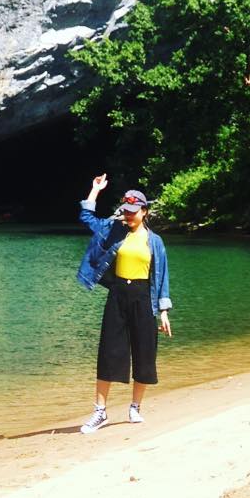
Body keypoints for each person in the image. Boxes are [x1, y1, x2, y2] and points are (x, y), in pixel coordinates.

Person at [75, 172, 172, 433]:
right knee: (109, 352)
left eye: (133, 211)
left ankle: (135, 408)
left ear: (144, 212)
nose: (128, 215)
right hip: (118, 295)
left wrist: (163, 310)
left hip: (143, 298)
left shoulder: (156, 242)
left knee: (144, 353)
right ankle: (100, 412)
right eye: (126, 211)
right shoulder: (114, 229)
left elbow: (161, 276)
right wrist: (95, 190)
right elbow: (86, 218)